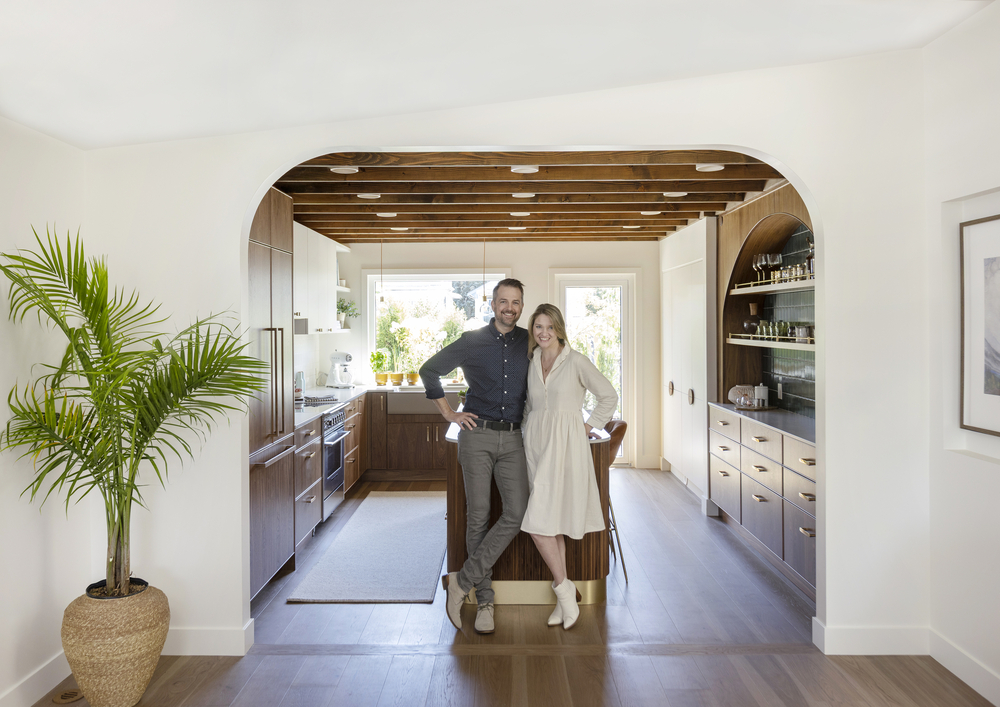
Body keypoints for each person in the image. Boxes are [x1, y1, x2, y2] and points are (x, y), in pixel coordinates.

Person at [418, 278, 530, 635]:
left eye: (515, 302)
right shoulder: (471, 341)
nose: (509, 307)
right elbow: (429, 370)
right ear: (493, 304)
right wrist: (449, 413)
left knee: (517, 512)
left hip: (514, 439)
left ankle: (460, 582)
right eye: (503, 301)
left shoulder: (531, 341)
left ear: (521, 306)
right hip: (476, 436)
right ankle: (484, 601)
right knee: (478, 516)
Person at [520, 303, 618, 630]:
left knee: (538, 523)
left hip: (564, 448)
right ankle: (566, 600)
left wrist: (589, 426)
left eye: (549, 327)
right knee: (551, 523)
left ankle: (564, 594)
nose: (543, 333)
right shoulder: (533, 361)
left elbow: (608, 395)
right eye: (538, 327)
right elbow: (530, 406)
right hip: (535, 446)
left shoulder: (576, 361)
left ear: (559, 329)